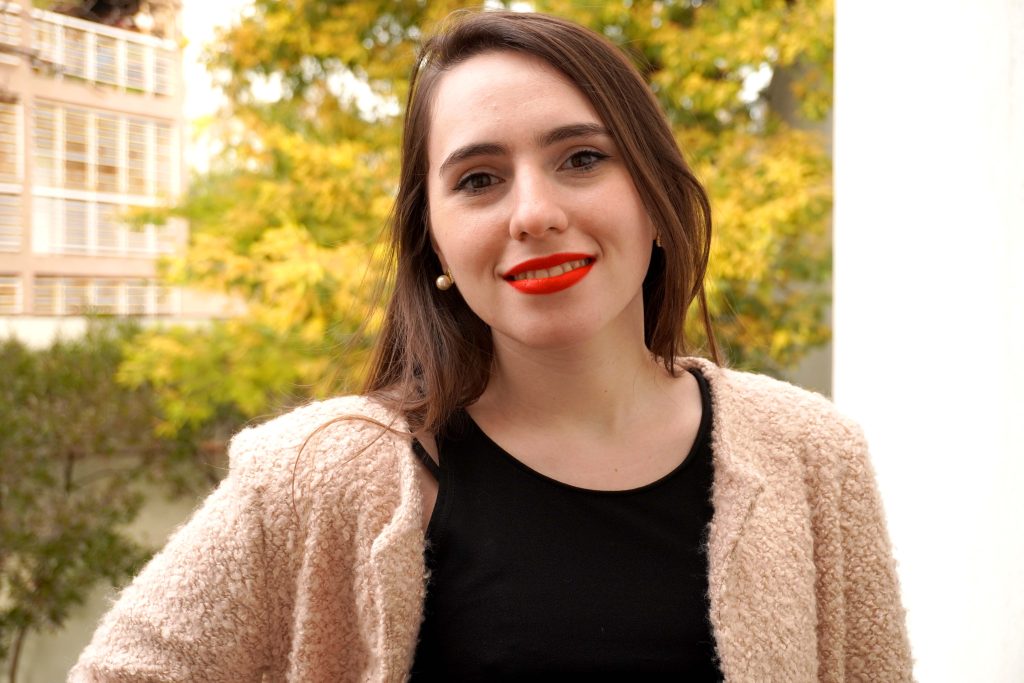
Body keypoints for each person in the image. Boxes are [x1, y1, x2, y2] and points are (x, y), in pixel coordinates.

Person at [70, 10, 912, 682]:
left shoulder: (814, 453)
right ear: (434, 239)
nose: (534, 212)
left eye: (581, 158)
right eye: (479, 179)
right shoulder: (315, 475)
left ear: (655, 200)